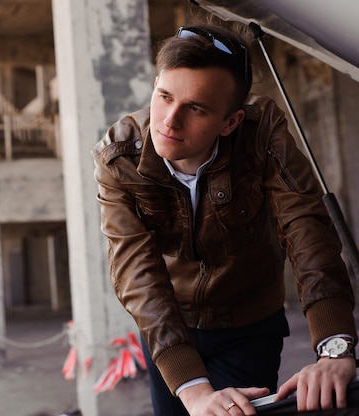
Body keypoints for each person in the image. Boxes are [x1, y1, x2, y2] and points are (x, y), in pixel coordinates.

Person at [92, 22, 358, 416]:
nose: (169, 120)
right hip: (170, 328)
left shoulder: (260, 132)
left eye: (195, 108)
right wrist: (193, 389)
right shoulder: (119, 157)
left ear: (231, 121)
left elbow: (306, 229)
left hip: (248, 325)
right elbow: (137, 273)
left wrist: (335, 345)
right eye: (163, 96)